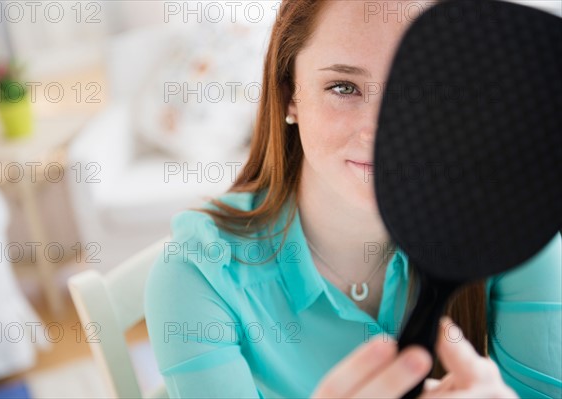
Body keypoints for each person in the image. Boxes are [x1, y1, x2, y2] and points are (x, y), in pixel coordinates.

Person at [145, 1, 562, 398]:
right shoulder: (196, 275)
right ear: (290, 93)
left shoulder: (515, 228)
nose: (378, 131)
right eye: (343, 87)